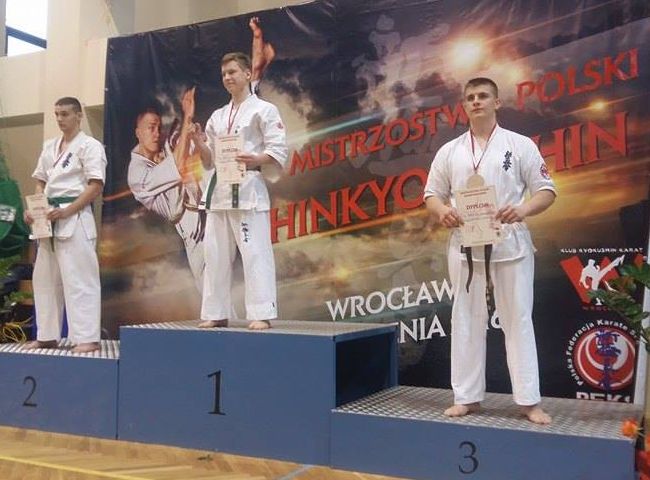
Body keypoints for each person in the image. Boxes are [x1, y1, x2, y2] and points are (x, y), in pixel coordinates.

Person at [424, 78, 556, 424]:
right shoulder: (450, 151)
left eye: (483, 96)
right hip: (465, 244)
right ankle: (466, 397)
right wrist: (443, 212)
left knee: (518, 319)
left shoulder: (520, 145)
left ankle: (529, 401)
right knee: (466, 318)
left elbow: (546, 190)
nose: (476, 101)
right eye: (470, 97)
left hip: (510, 242)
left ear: (497, 102)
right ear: (464, 106)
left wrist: (523, 209)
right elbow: (431, 194)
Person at [194, 52, 287, 331]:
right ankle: (216, 312)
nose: (227, 77)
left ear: (248, 74)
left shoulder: (265, 110)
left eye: (233, 72)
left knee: (255, 252)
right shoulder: (217, 116)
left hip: (248, 189)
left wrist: (256, 158)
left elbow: (278, 149)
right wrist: (198, 143)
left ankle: (261, 312)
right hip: (220, 190)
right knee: (214, 255)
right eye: (224, 74)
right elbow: (208, 160)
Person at [23, 97, 106, 354]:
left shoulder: (90, 146)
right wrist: (36, 209)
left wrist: (68, 210)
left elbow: (95, 185)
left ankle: (87, 337)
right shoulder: (50, 146)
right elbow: (40, 181)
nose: (60, 119)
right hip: (48, 220)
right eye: (57, 114)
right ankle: (47, 335)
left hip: (75, 218)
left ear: (78, 115)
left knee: (80, 279)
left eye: (65, 114)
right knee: (44, 280)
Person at [128, 88, 206, 290]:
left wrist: (193, 134)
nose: (156, 133)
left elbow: (189, 148)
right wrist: (187, 117)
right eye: (151, 128)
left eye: (158, 128)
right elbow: (178, 166)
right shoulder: (136, 174)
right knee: (209, 288)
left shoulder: (165, 145)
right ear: (138, 133)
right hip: (192, 229)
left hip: (210, 209)